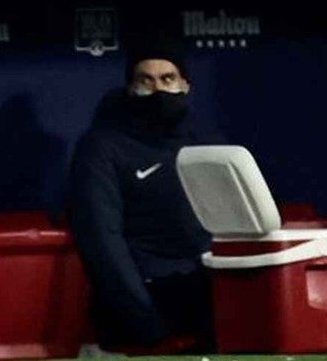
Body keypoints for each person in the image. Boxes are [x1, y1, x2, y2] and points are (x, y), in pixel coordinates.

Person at [66, 34, 223, 354]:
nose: (158, 91)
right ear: (130, 88)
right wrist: (146, 323)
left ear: (186, 85)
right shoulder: (101, 147)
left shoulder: (206, 141)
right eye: (145, 81)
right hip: (147, 307)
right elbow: (101, 239)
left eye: (168, 79)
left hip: (210, 298)